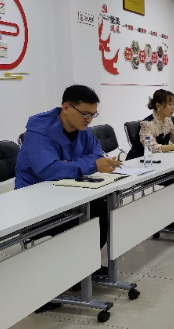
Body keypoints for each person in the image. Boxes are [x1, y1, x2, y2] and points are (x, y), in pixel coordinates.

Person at [15, 84, 121, 312]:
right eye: (85, 114)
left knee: (101, 211)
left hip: (69, 193)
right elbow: (48, 170)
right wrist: (89, 165)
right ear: (66, 107)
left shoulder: (83, 130)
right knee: (79, 223)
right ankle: (50, 284)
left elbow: (96, 154)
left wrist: (75, 165)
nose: (89, 120)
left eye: (93, 115)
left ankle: (81, 270)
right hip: (36, 202)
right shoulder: (39, 132)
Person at [125, 89, 174, 160]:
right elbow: (151, 148)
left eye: (173, 104)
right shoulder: (147, 124)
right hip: (138, 161)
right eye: (170, 104)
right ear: (158, 106)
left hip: (157, 159)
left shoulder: (167, 120)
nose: (173, 108)